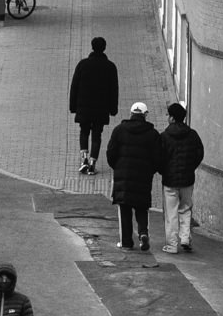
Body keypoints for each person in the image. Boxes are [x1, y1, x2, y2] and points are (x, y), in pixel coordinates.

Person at [106, 101, 164, 251]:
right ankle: (143, 233)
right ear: (145, 115)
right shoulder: (153, 134)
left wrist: (117, 167)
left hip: (123, 177)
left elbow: (110, 153)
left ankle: (126, 242)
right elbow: (158, 158)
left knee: (124, 208)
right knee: (141, 207)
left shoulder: (119, 130)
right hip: (143, 178)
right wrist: (150, 170)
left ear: (131, 114)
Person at [159, 101, 206, 254]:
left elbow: (158, 157)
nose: (167, 118)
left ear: (172, 118)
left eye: (168, 115)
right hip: (187, 179)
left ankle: (172, 245)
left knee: (171, 213)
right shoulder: (192, 135)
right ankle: (185, 238)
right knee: (185, 208)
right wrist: (190, 167)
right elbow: (199, 153)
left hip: (170, 180)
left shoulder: (164, 136)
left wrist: (163, 170)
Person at [68, 37, 119, 176]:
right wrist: (113, 109)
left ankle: (83, 158)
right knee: (97, 135)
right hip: (101, 109)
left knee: (84, 131)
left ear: (92, 47)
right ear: (104, 48)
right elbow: (114, 90)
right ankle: (92, 164)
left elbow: (74, 87)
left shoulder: (83, 65)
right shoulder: (110, 67)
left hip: (83, 107)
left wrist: (73, 106)